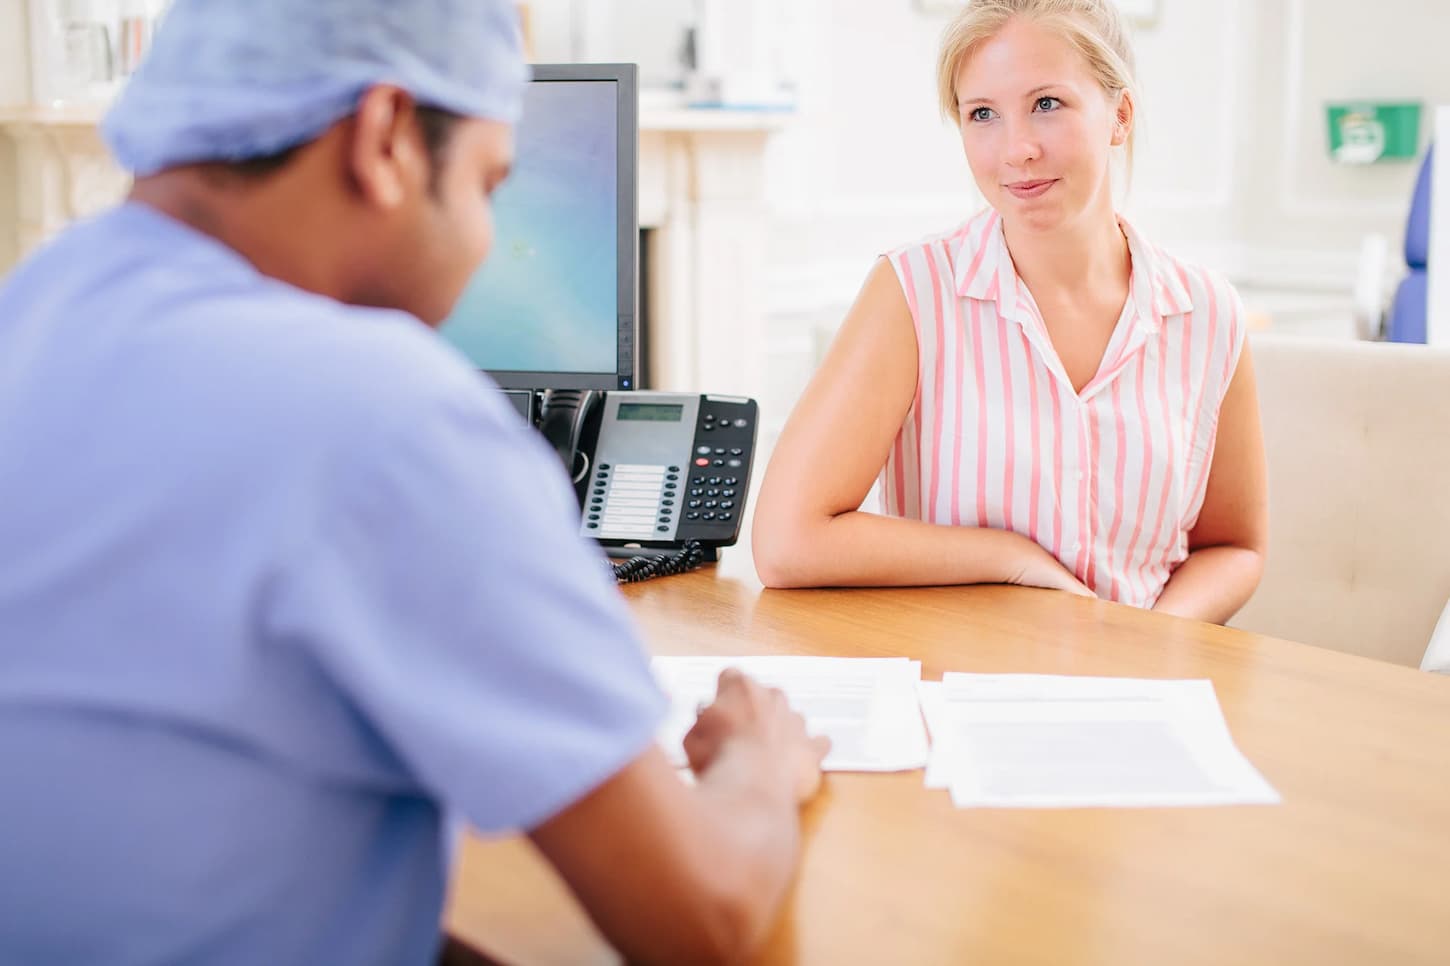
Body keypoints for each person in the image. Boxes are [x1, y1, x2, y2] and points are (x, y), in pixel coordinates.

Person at [0, 2, 828, 964]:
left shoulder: (28, 314)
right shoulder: (385, 416)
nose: (485, 244)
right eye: (488, 183)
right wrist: (760, 766)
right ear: (387, 137)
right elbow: (706, 919)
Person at [752, 0, 1267, 624]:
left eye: (1047, 104)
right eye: (982, 115)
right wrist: (1010, 557)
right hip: (961, 684)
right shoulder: (913, 292)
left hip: (1142, 691)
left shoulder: (1207, 314)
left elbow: (1232, 546)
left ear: (1120, 115)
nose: (1016, 149)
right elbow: (785, 542)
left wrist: (1151, 643)